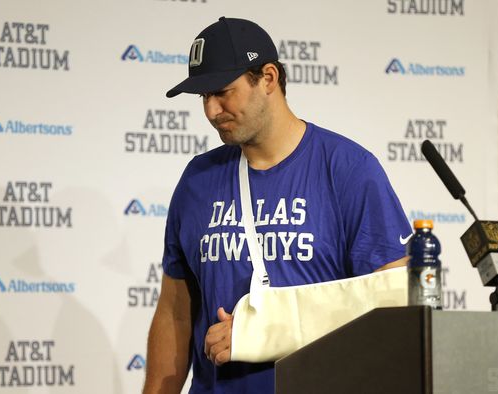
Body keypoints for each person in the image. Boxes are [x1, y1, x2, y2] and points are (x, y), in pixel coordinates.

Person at [143, 16, 411, 394]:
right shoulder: (197, 181)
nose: (211, 110)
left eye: (223, 92)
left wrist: (265, 331)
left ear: (268, 78)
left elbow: (395, 305)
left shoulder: (349, 170)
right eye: (203, 97)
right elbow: (175, 311)